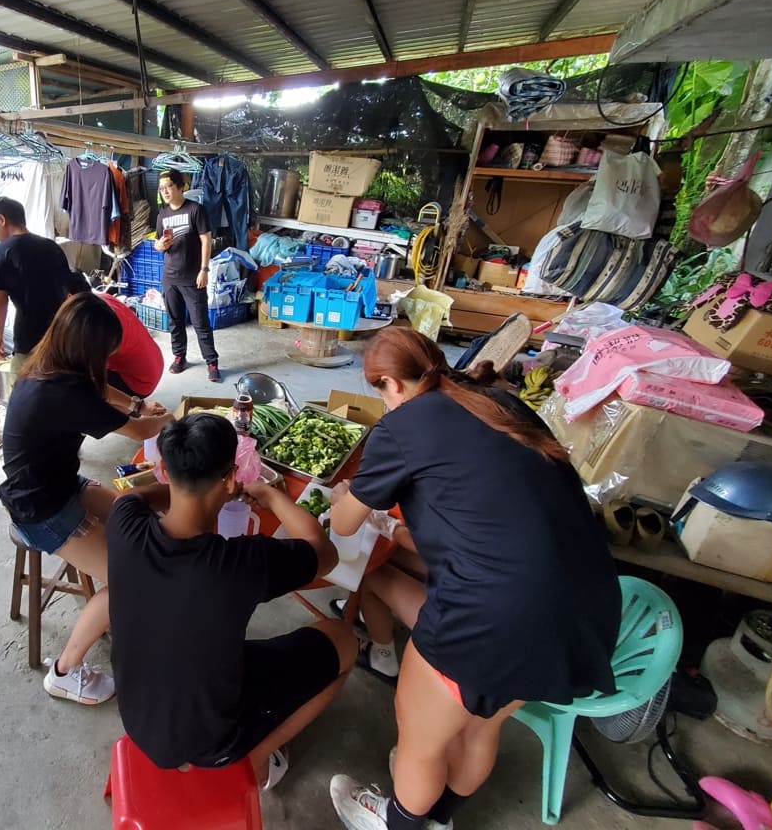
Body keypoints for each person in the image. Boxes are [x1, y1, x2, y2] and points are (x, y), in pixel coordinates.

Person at [324, 328, 621, 830]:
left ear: (391, 384)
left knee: (419, 743)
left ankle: (397, 821)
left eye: (379, 390)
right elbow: (484, 523)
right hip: (583, 608)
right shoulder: (498, 402)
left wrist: (343, 503)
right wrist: (395, 528)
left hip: (498, 619)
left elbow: (345, 523)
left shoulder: (405, 424)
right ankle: (439, 817)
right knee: (481, 728)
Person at [107, 413, 358, 790]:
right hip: (207, 741)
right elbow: (325, 553)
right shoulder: (239, 563)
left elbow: (134, 496)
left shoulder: (123, 521)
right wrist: (271, 495)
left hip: (136, 713)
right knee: (344, 640)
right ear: (230, 479)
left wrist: (186, 490)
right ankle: (257, 756)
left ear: (162, 467)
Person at [0, 293, 172, 704]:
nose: (111, 357)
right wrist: (171, 419)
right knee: (133, 578)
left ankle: (116, 614)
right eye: (107, 351)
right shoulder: (60, 392)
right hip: (40, 510)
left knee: (139, 520)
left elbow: (102, 392)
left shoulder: (53, 364)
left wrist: (136, 403)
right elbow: (141, 432)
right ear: (87, 349)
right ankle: (64, 671)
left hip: (61, 485)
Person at [0, 195, 71, 369]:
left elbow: (0, 301)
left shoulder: (1, 251)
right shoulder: (52, 247)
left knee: (24, 383)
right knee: (58, 379)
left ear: (1, 220)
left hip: (28, 333)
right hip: (61, 329)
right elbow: (67, 290)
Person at [155, 168, 221, 383]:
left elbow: (206, 240)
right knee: (175, 321)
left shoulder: (195, 209)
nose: (165, 191)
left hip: (193, 277)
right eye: (162, 188)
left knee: (200, 322)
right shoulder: (162, 215)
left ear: (180, 186)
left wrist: (204, 269)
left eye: (169, 187)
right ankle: (179, 356)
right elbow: (157, 243)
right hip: (170, 277)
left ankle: (211, 362)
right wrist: (160, 245)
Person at [66, 271, 164, 400]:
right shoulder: (102, 298)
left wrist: (135, 406)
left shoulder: (92, 323)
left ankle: (122, 410)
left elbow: (86, 371)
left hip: (139, 382)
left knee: (77, 384)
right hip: (154, 365)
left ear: (69, 297)